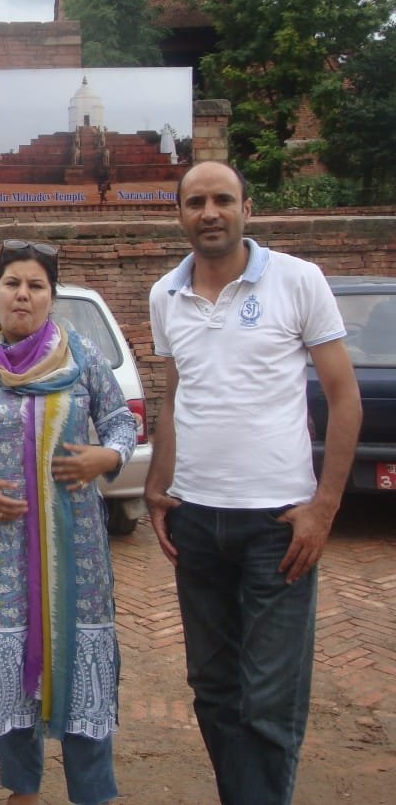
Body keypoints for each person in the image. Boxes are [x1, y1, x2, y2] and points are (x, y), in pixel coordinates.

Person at [144, 161, 361, 805]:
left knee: (269, 698)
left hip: (278, 526)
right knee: (213, 689)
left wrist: (324, 506)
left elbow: (344, 398)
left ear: (247, 208)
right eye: (195, 202)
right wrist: (157, 486)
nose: (209, 212)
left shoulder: (298, 280)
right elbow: (175, 394)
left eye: (222, 199)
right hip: (195, 521)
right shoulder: (165, 295)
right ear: (180, 215)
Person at [0, 240, 138, 805]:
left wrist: (106, 456)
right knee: (9, 667)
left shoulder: (82, 358)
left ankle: (93, 791)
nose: (23, 295)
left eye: (36, 285)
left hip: (75, 548)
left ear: (51, 297)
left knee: (80, 662)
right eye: (12, 283)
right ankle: (22, 788)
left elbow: (121, 421)